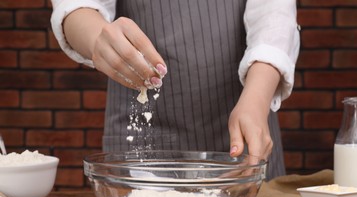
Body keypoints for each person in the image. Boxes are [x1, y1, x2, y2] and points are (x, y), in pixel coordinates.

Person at [51, 0, 300, 179]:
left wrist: (256, 99)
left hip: (246, 135)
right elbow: (75, 7)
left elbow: (275, 14)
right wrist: (99, 38)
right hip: (144, 143)